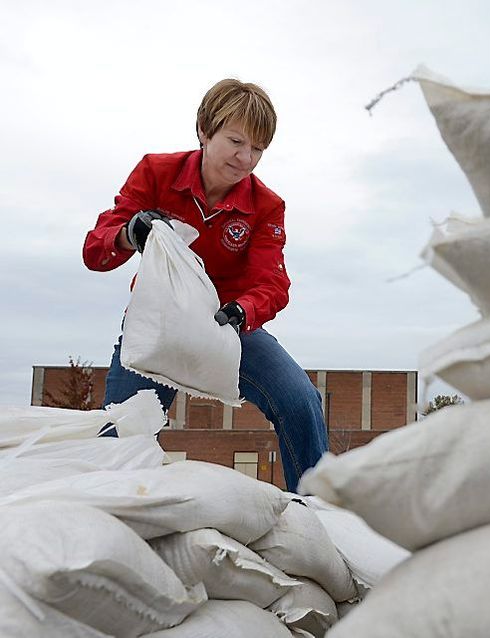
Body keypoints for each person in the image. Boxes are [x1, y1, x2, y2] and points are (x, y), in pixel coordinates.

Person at [83, 79, 328, 491]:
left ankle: (320, 510)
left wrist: (242, 311)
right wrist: (130, 232)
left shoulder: (267, 206)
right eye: (235, 141)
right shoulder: (155, 172)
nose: (245, 158)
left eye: (257, 149)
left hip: (227, 327)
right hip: (158, 329)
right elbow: (96, 251)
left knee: (300, 400)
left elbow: (273, 282)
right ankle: (111, 512)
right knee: (120, 431)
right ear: (204, 129)